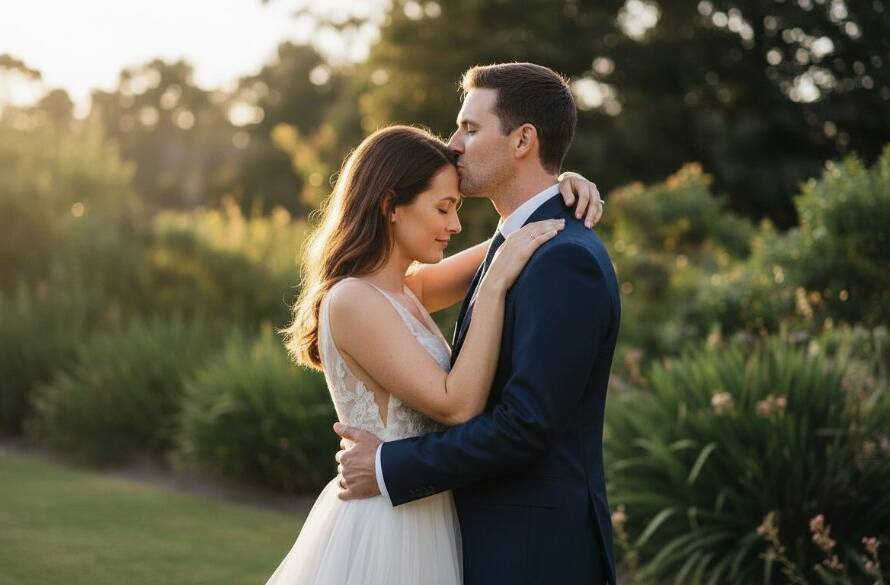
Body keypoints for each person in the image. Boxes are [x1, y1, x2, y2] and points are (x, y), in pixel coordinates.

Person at [267, 121, 602, 585]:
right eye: (444, 208)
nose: (455, 225)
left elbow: (521, 232)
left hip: (427, 515)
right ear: (391, 206)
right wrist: (495, 288)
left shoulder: (406, 291)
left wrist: (560, 189)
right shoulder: (353, 300)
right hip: (388, 528)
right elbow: (456, 404)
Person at [335, 63, 621, 585]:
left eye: (469, 128)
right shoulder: (516, 246)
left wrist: (387, 466)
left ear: (522, 141)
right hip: (465, 537)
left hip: (533, 555)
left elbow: (525, 424)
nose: (455, 144)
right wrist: (558, 186)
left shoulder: (560, 258)